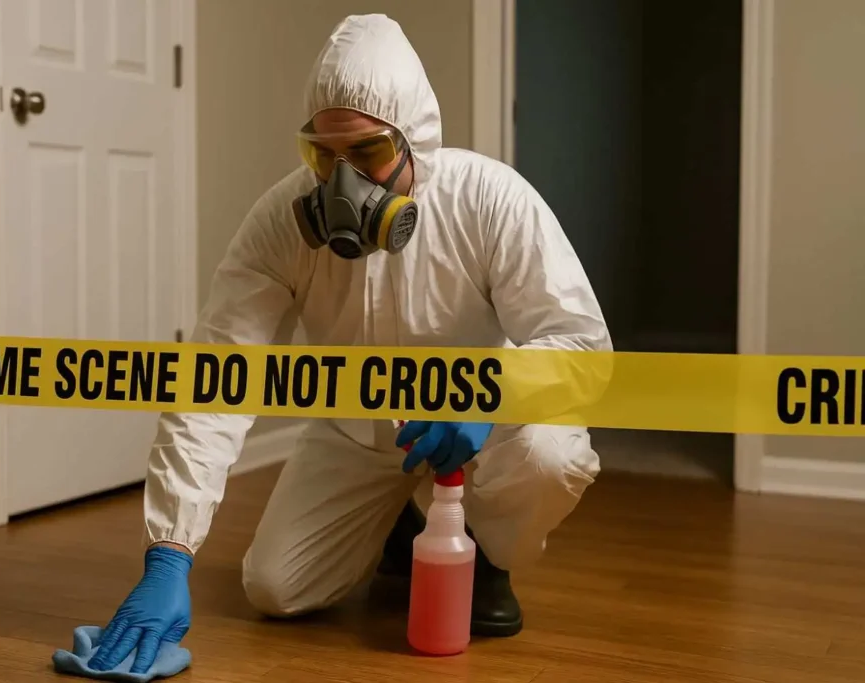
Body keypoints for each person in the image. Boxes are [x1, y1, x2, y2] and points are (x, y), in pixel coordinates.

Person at [86, 13, 609, 675]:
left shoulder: (491, 201)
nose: (341, 185)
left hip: (482, 434)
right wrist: (169, 551)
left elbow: (584, 347)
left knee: (549, 453)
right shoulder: (280, 222)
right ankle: (397, 523)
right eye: (324, 156)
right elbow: (217, 375)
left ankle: (483, 553)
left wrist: (490, 392)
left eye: (365, 154)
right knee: (274, 586)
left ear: (415, 142)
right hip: (354, 436)